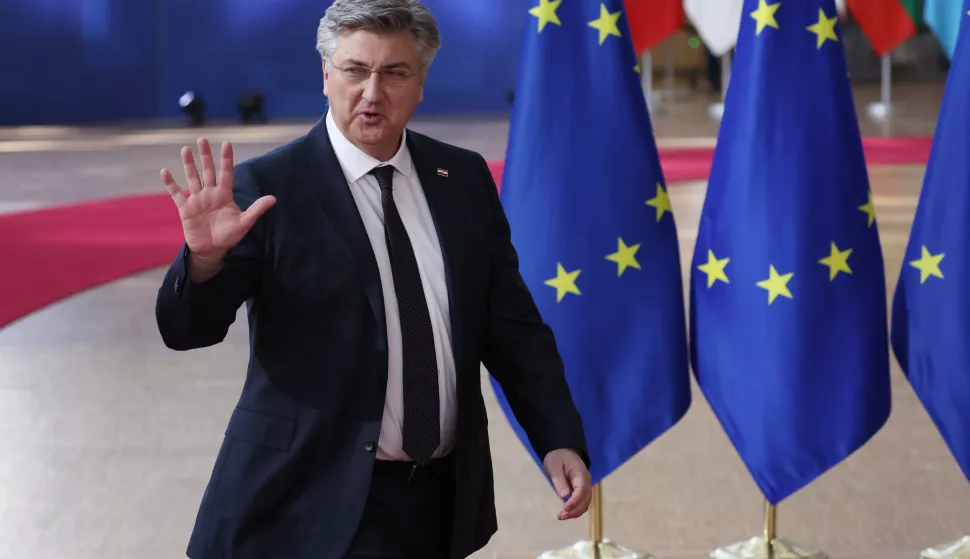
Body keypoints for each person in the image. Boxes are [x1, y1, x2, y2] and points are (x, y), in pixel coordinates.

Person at [155, 1, 592, 557]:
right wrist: (203, 262)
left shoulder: (461, 177)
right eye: (355, 70)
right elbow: (187, 330)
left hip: (437, 502)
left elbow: (512, 328)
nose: (372, 92)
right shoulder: (265, 189)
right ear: (326, 74)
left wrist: (557, 436)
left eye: (395, 72)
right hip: (309, 498)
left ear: (422, 81)